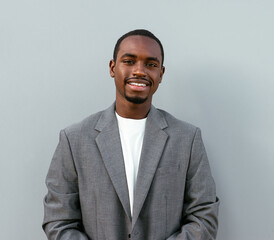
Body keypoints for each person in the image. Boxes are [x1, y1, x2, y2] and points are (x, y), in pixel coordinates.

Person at [42, 29, 219, 240]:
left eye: (151, 64)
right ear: (112, 67)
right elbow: (58, 222)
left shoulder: (187, 139)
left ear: (161, 74)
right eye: (129, 61)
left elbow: (204, 218)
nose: (139, 71)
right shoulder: (74, 140)